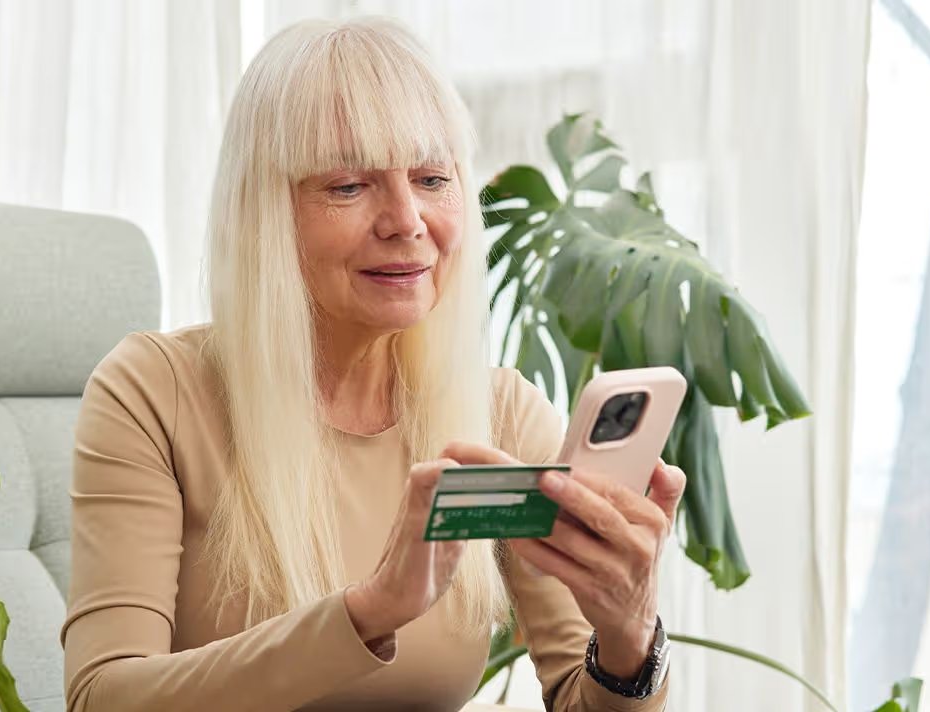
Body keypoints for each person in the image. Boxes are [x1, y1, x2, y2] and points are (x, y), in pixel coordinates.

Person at [61, 15, 685, 712]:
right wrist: (369, 612)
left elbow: (580, 698)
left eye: (430, 178)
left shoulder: (500, 412)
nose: (407, 220)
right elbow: (102, 697)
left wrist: (631, 638)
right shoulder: (153, 393)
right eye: (349, 185)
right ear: (267, 213)